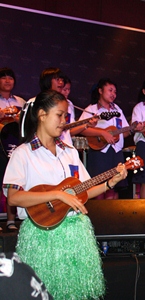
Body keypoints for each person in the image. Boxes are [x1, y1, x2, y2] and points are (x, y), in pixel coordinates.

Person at [2, 89, 128, 299]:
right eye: (59, 115)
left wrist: (109, 182)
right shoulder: (23, 154)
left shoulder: (69, 152)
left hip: (75, 236)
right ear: (42, 114)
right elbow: (14, 197)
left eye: (66, 116)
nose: (64, 121)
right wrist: (57, 195)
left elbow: (84, 189)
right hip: (42, 238)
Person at [79, 78, 136, 199]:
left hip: (116, 152)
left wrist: (132, 129)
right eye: (110, 90)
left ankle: (111, 216)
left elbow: (124, 132)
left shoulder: (117, 110)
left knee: (115, 187)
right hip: (99, 152)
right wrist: (103, 133)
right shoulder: (91, 109)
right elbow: (82, 129)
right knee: (99, 188)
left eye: (115, 92)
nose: (113, 94)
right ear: (100, 90)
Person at [0, 67, 25, 231]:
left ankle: (11, 220)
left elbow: (27, 124)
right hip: (0, 143)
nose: (8, 80)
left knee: (13, 180)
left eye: (11, 78)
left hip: (15, 143)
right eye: (4, 78)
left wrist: (18, 118)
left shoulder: (21, 101)